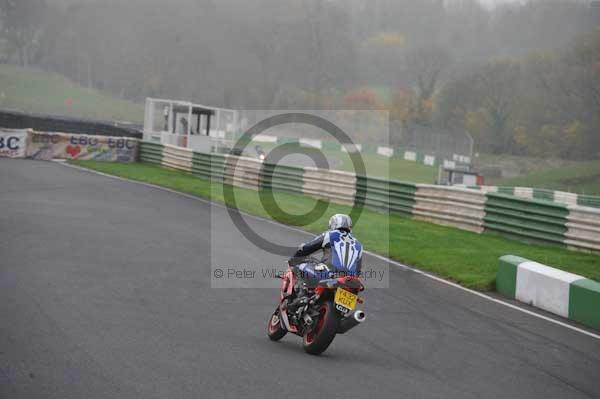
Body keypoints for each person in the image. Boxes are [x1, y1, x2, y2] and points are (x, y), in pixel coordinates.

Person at [288, 214, 363, 291]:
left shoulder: (329, 235)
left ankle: (302, 294)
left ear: (333, 224)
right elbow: (358, 269)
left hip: (330, 274)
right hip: (350, 281)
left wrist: (294, 258)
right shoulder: (359, 245)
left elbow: (309, 247)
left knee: (302, 266)